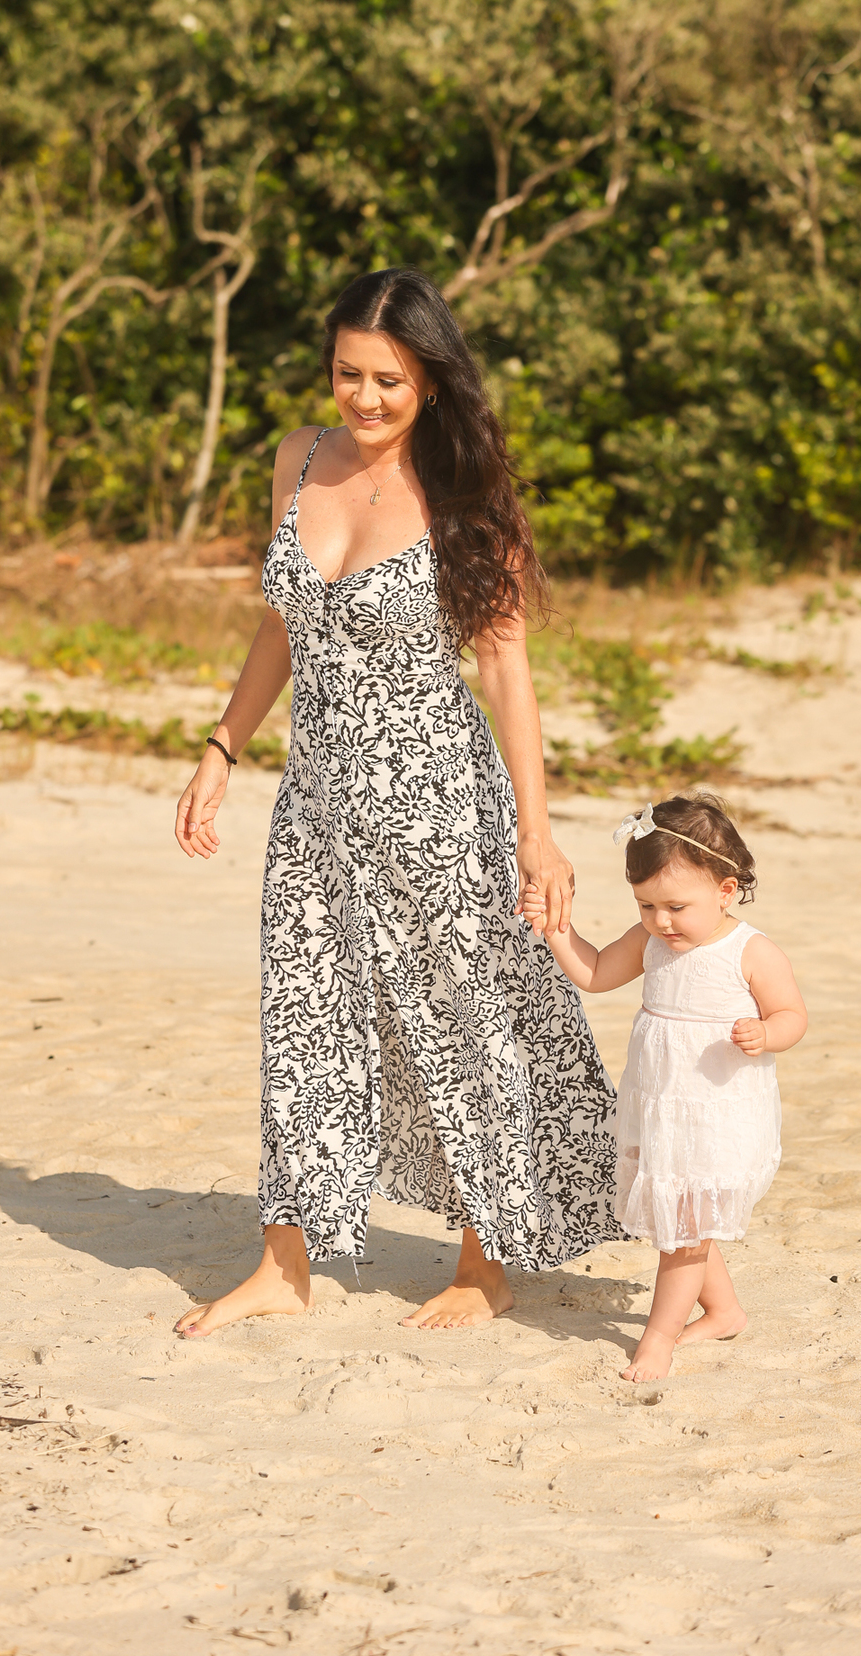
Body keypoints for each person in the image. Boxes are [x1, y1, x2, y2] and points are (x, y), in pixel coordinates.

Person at [172, 267, 619, 1337]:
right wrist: (223, 748)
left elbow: (506, 669)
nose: (363, 398)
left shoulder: (466, 490)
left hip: (439, 801)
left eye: (388, 380)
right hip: (317, 803)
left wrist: (538, 835)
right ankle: (283, 1264)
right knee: (305, 1019)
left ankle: (483, 1263)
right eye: (347, 374)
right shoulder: (296, 459)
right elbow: (281, 626)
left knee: (464, 1019)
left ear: (430, 380)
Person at [520, 793, 806, 1381]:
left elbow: (793, 1015)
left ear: (725, 890)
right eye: (646, 905)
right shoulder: (650, 940)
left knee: (686, 1227)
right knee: (684, 1216)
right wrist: (556, 929)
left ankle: (659, 1336)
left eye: (676, 906)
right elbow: (596, 973)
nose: (661, 921)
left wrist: (767, 1033)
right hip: (661, 1104)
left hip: (717, 1110)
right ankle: (724, 1311)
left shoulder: (750, 951)